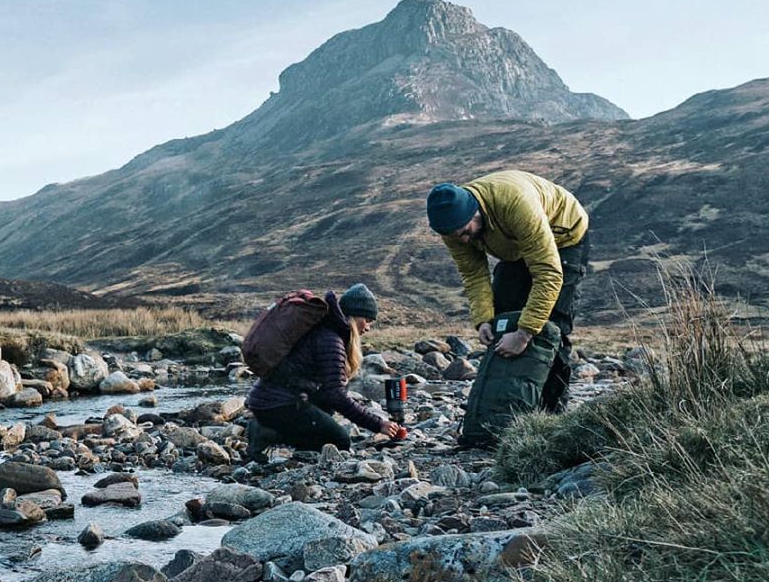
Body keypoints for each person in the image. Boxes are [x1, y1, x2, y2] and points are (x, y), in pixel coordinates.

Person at [426, 170, 590, 411]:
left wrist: (524, 334)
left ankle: (551, 413)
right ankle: (508, 409)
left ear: (475, 212)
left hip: (563, 237)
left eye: (465, 233)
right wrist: (483, 319)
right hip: (514, 247)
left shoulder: (515, 204)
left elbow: (548, 273)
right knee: (502, 322)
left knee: (551, 328)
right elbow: (474, 274)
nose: (462, 241)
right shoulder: (452, 226)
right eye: (454, 236)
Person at [245, 283, 402, 459]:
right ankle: (266, 432)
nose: (367, 327)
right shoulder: (331, 340)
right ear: (353, 317)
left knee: (325, 413)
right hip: (278, 404)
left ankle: (271, 427)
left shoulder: (325, 331)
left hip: (270, 401)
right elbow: (336, 394)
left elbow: (328, 393)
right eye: (367, 320)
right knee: (339, 441)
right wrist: (378, 424)